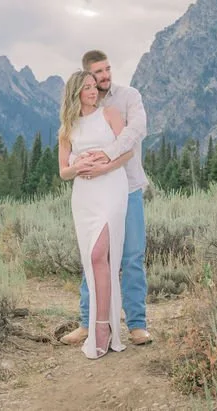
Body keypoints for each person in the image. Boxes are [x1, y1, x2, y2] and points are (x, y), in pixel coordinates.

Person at [61, 50, 152, 348]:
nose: (105, 76)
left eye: (107, 69)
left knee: (132, 256)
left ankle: (137, 324)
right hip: (93, 194)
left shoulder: (126, 98)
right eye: (97, 73)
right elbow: (68, 154)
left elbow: (137, 131)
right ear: (87, 76)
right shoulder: (78, 114)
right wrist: (80, 167)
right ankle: (88, 322)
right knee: (95, 255)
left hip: (128, 187)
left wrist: (107, 158)